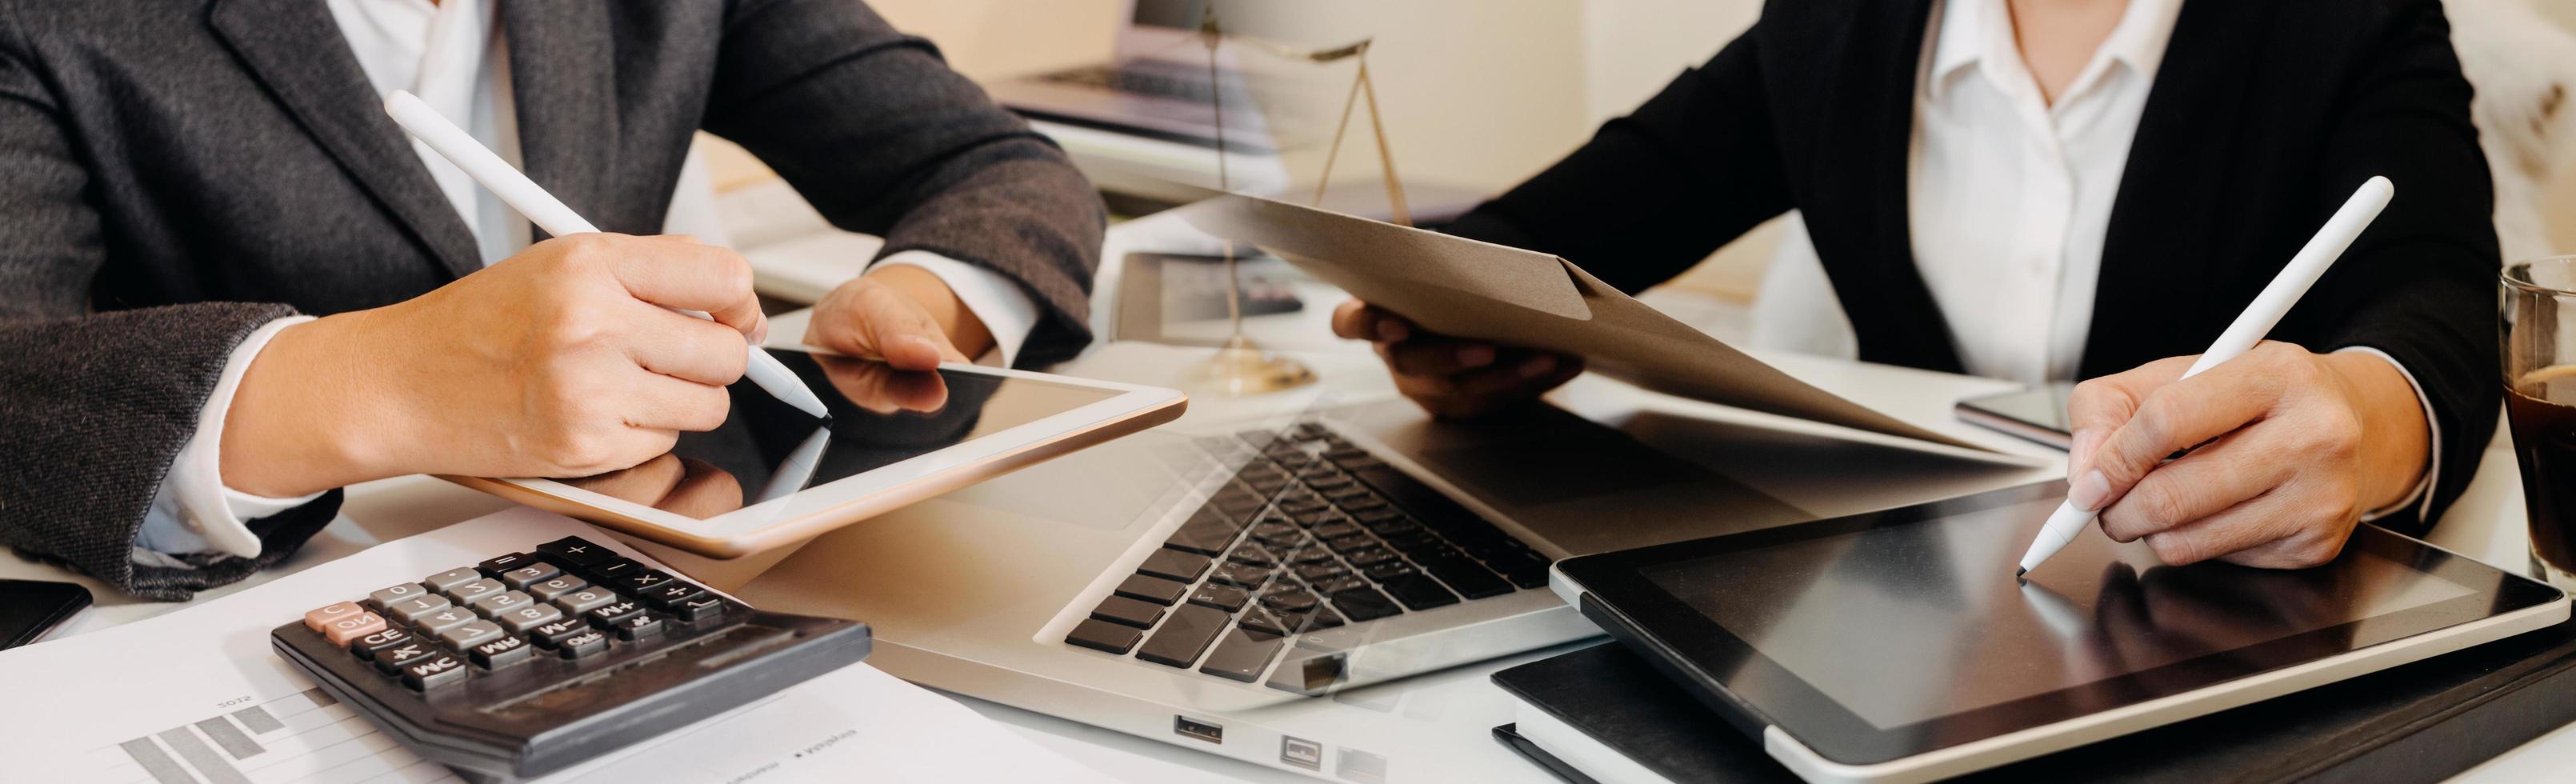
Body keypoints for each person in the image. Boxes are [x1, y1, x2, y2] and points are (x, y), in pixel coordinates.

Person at [1332, 0, 2498, 569]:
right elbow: (1600, 204)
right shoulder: (1838, 24)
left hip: (2203, 629)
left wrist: (2368, 420)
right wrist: (1440, 307)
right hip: (1900, 611)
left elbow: (2435, 290)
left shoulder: (2345, 21)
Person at [0, 0, 1103, 598]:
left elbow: (1004, 170)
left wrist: (926, 296)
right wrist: (376, 380)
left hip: (678, 577)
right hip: (275, 634)